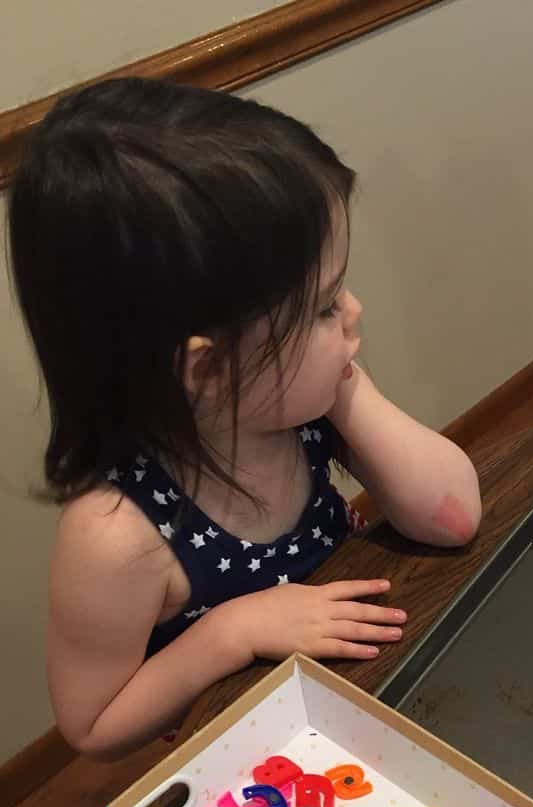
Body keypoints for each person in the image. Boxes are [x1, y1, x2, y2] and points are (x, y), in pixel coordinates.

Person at [9, 77, 481, 760]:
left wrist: (349, 391)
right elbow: (93, 725)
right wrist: (234, 631)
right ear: (207, 371)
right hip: (262, 757)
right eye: (322, 307)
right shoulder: (116, 536)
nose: (354, 312)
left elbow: (453, 515)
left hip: (370, 692)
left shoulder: (302, 404)